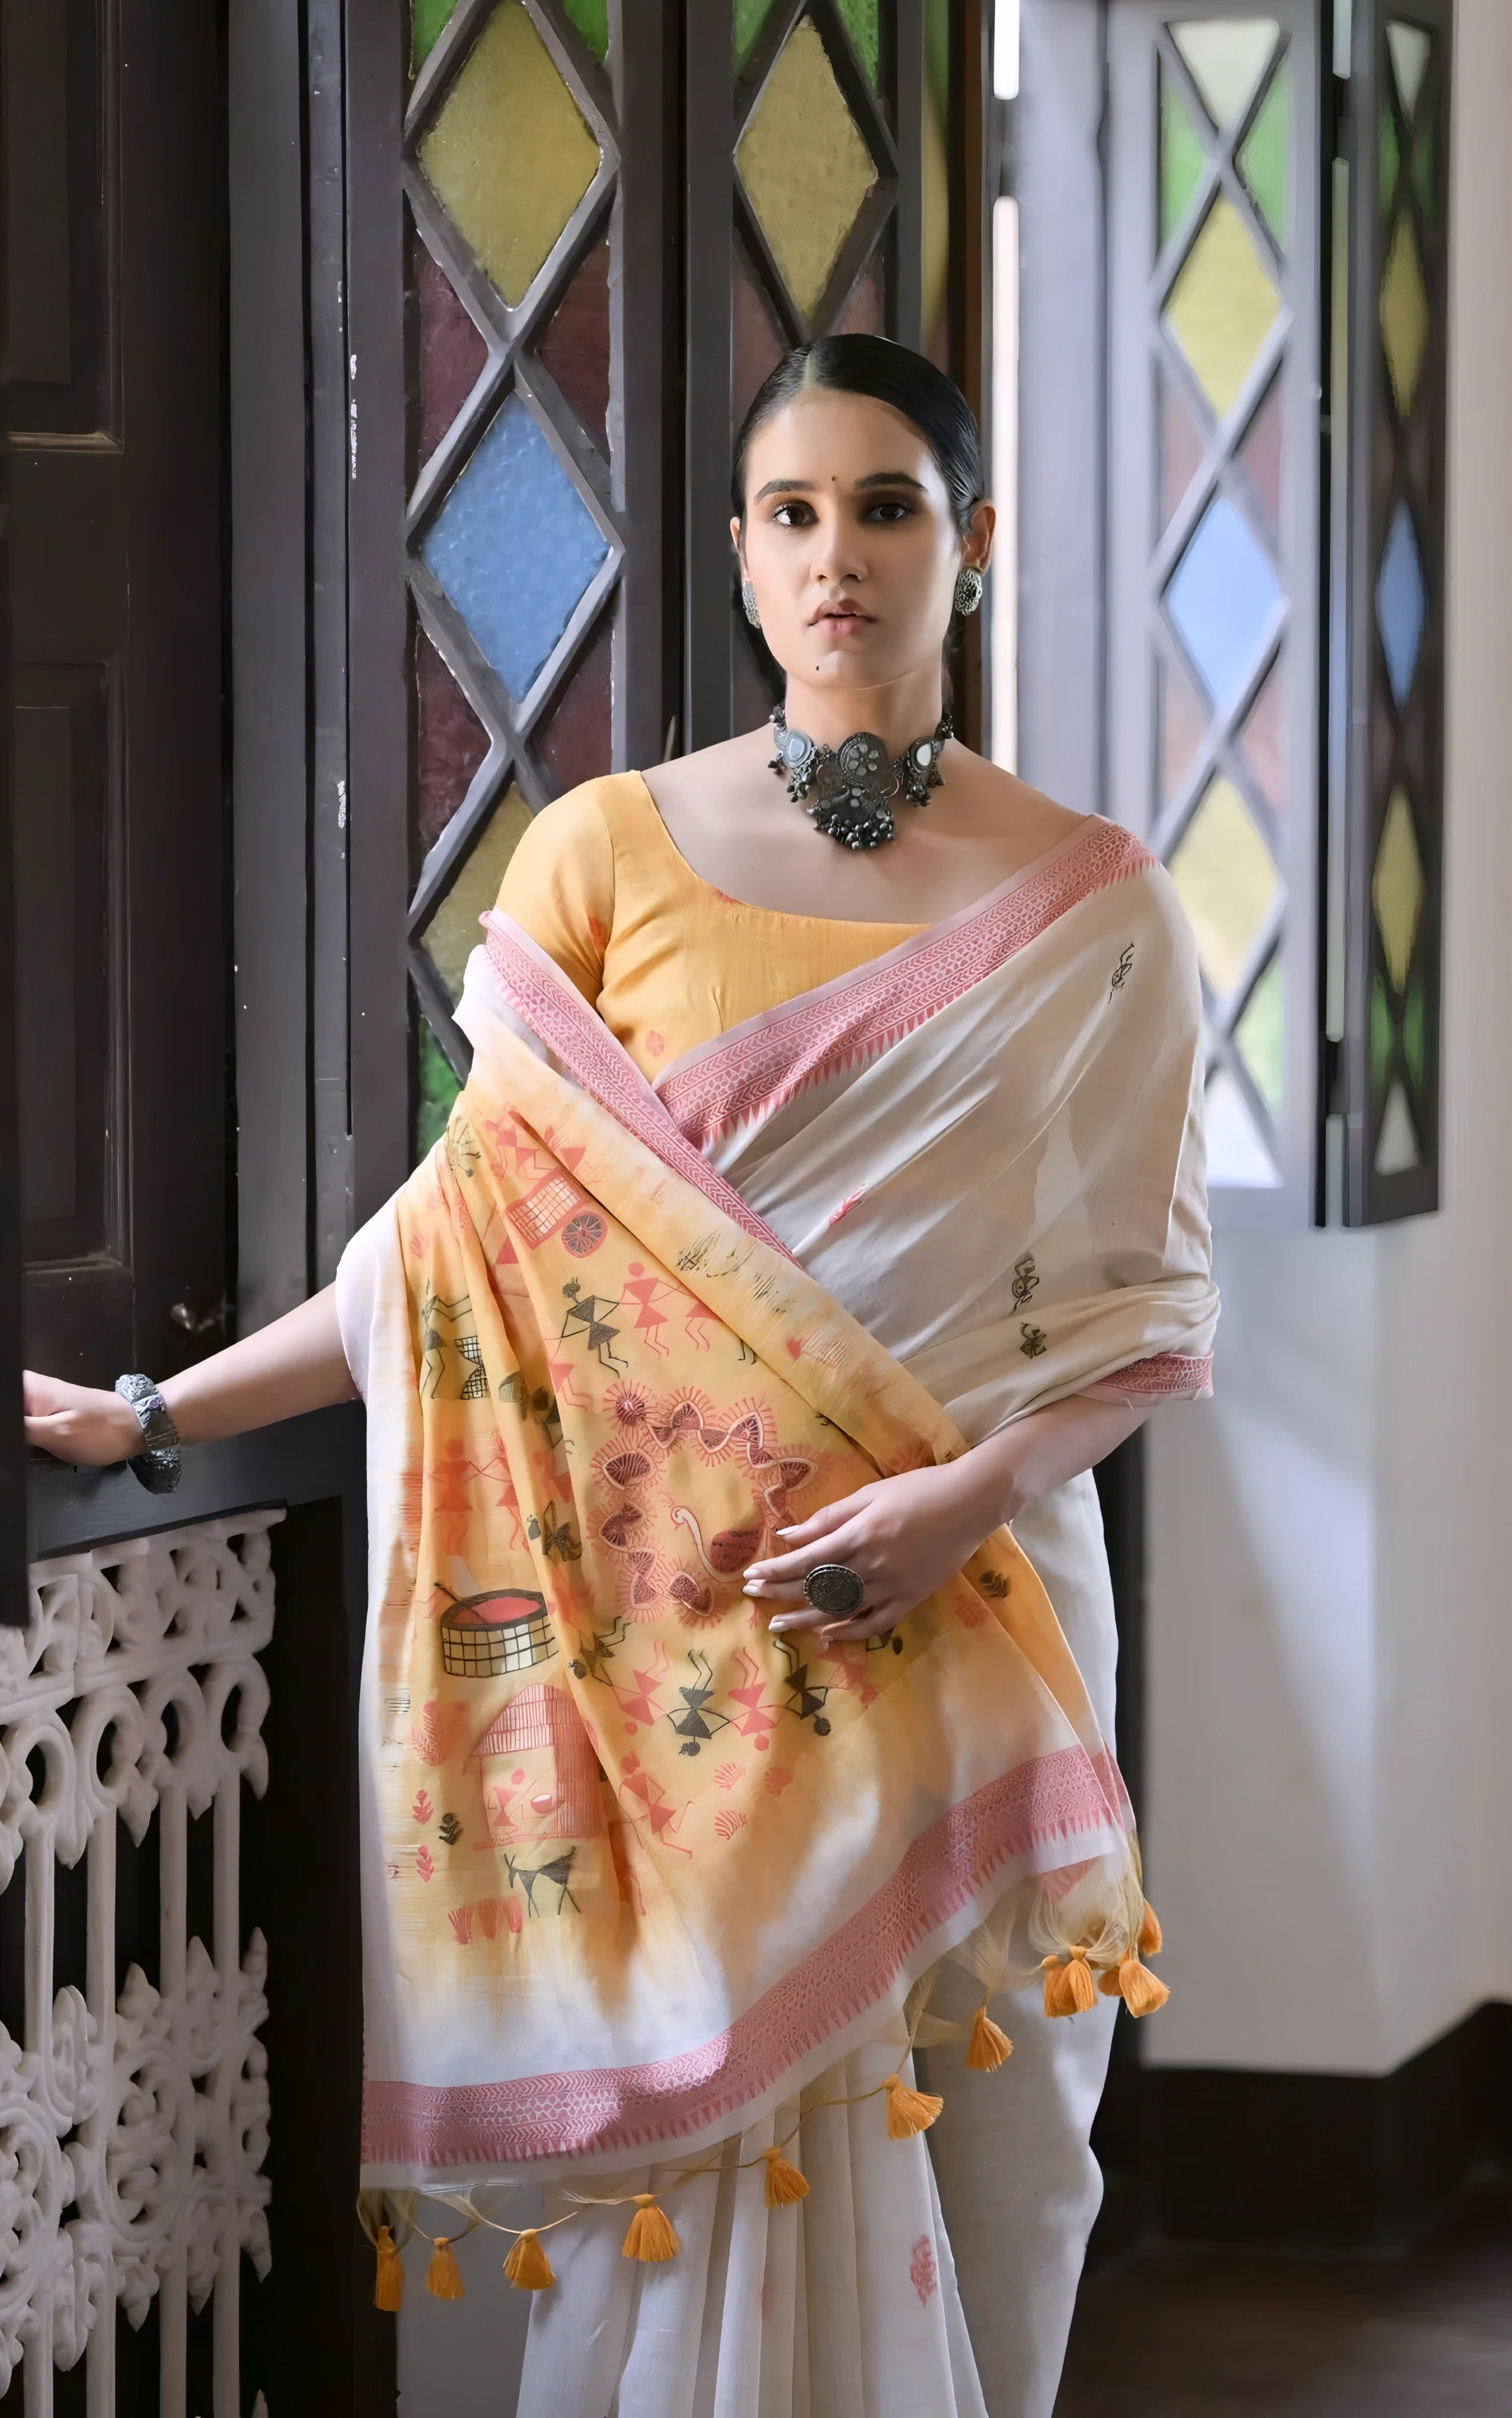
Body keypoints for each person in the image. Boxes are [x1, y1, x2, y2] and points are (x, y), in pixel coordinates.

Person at [24, 335, 1216, 2417]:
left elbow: (1144, 1316)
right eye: (790, 513)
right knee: (679, 2207)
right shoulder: (604, 857)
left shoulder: (1093, 910)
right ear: (741, 565)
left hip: (972, 1592)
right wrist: (148, 1423)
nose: (836, 555)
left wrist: (954, 1503)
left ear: (976, 545)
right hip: (669, 1646)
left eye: (886, 506)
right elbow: (446, 1268)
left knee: (1006, 2173)